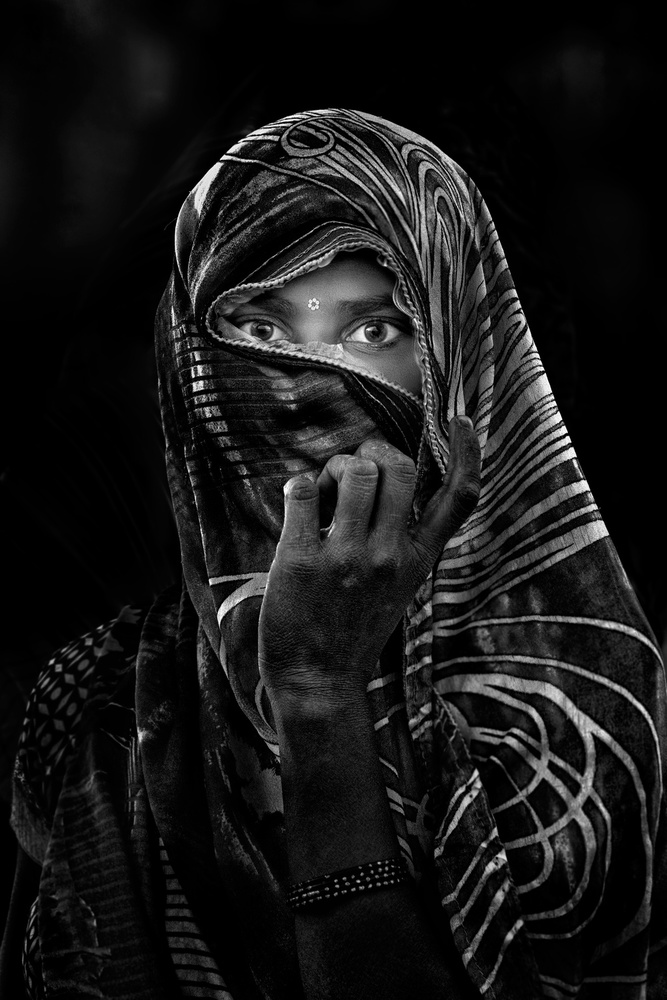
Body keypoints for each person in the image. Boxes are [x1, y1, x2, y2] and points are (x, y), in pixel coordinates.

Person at [2, 108, 665, 999]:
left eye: (371, 332)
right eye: (260, 329)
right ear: (184, 362)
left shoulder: (586, 698)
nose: (295, 388)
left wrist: (318, 694)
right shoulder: (101, 697)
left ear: (463, 355)